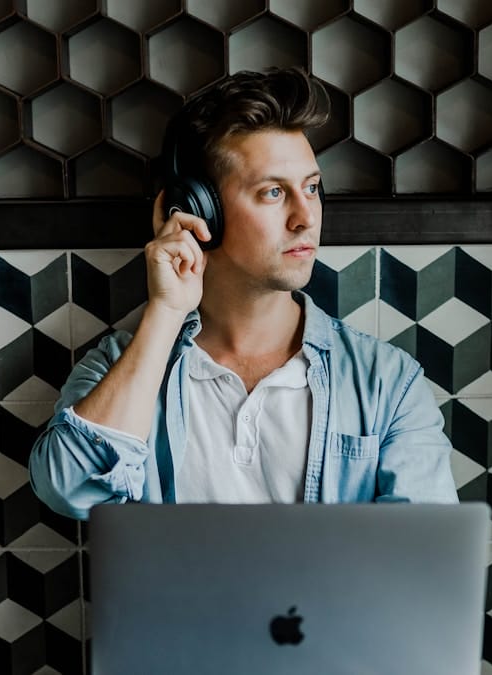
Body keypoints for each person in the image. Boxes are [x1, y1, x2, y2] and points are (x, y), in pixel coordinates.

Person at [29, 68, 457, 520]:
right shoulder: (120, 367)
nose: (305, 218)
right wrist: (167, 312)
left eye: (311, 188)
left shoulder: (387, 383)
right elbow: (69, 491)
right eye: (273, 192)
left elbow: (420, 566)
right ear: (198, 209)